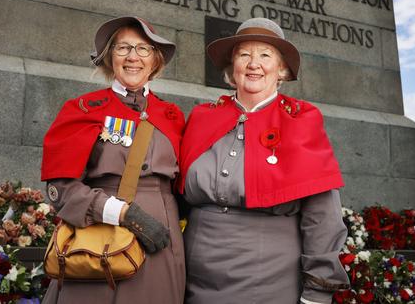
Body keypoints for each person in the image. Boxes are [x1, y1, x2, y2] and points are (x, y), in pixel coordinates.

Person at [177, 17, 350, 304]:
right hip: (193, 274)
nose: (253, 63)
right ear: (233, 67)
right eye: (244, 54)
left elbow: (322, 216)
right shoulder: (201, 117)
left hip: (267, 279)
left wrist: (318, 291)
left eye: (265, 55)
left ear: (281, 69)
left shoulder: (302, 120)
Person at [41, 16, 185, 303]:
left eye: (143, 49)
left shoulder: (173, 116)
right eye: (123, 48)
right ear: (110, 58)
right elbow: (62, 189)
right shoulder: (82, 109)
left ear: (155, 61)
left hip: (162, 241)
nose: (133, 57)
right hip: (98, 238)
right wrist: (123, 213)